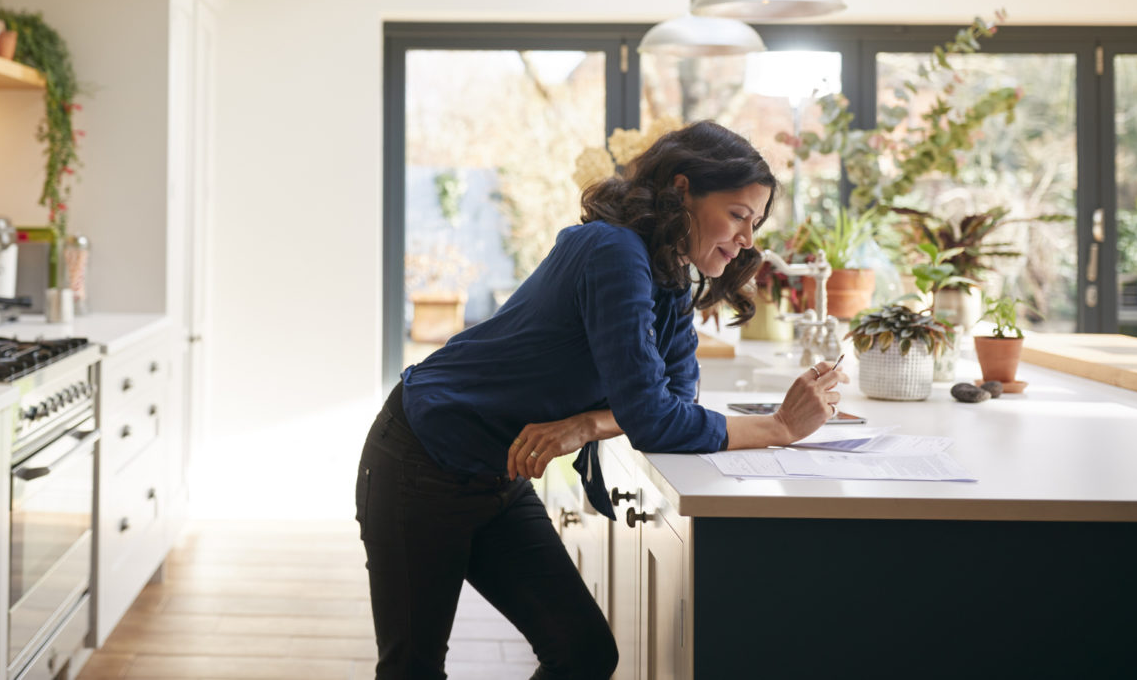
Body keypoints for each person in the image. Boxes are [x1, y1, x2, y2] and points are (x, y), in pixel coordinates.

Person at [355, 121, 848, 680]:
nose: (748, 240)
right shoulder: (612, 250)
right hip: (421, 459)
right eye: (738, 215)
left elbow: (676, 398)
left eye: (755, 223)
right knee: (412, 668)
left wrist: (587, 423)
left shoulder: (669, 276)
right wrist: (780, 427)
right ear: (683, 190)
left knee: (584, 652)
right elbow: (658, 419)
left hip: (497, 475)